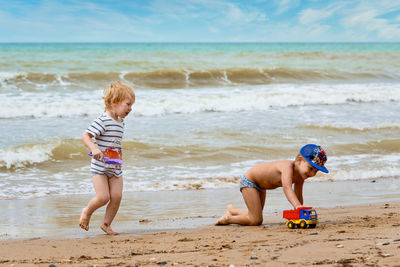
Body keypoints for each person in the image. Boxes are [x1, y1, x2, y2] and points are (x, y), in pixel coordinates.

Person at [215, 144, 328, 226]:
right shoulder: (287, 167)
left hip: (261, 187)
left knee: (255, 213)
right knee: (256, 220)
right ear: (299, 160)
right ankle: (228, 219)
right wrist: (298, 207)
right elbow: (287, 188)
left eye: (316, 171)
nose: (312, 173)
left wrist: (299, 212)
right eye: (311, 168)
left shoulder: (300, 176)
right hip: (250, 182)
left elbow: (298, 194)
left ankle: (232, 210)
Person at [79, 81, 135, 235]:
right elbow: (85, 136)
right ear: (114, 102)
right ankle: (87, 212)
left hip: (115, 167)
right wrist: (94, 148)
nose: (130, 108)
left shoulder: (120, 122)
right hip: (100, 167)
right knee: (103, 197)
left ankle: (106, 224)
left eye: (131, 105)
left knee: (116, 197)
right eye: (128, 104)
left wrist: (120, 158)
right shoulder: (103, 120)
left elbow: (115, 143)